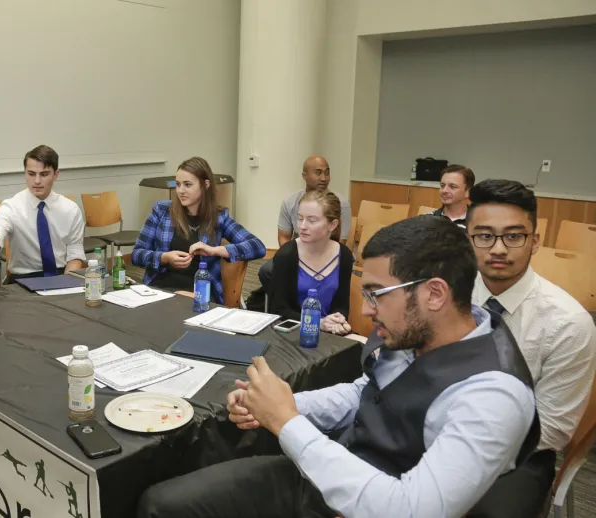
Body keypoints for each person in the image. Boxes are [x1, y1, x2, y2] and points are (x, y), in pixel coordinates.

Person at [137, 215, 539, 518]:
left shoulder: (493, 395)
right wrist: (283, 405)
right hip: (332, 473)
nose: (365, 310)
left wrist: (287, 423)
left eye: (377, 294)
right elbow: (365, 392)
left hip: (374, 500)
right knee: (161, 503)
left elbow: (410, 509)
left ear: (434, 294)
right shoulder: (411, 330)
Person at [467, 179, 596, 515]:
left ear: (534, 241)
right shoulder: (448, 293)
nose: (497, 249)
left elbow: (551, 430)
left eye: (513, 236)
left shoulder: (567, 322)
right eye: (484, 235)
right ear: (469, 239)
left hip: (520, 454)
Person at [132, 157, 265, 304]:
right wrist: (164, 258)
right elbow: (137, 254)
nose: (181, 191)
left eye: (188, 185)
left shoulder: (219, 218)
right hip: (159, 290)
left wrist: (215, 250)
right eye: (177, 185)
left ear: (205, 185)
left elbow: (257, 247)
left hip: (199, 293)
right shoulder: (162, 211)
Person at [247, 155, 351, 310]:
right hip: (298, 252)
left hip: (323, 252)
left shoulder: (341, 204)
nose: (323, 178)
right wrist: (294, 256)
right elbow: (283, 237)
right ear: (304, 176)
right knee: (268, 270)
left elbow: (340, 240)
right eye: (318, 172)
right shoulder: (290, 201)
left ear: (332, 224)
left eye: (326, 172)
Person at [0, 145, 86, 281]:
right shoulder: (11, 207)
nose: (36, 181)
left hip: (61, 273)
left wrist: (65, 284)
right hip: (23, 277)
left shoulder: (70, 210)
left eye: (44, 174)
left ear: (55, 175)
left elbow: (75, 256)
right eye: (31, 174)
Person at [267, 190, 354, 334]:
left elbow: (342, 304)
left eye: (311, 220)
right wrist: (318, 323)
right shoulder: (286, 255)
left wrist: (337, 320)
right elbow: (278, 310)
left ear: (332, 225)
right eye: (300, 218)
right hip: (294, 332)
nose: (302, 226)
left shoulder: (343, 255)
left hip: (330, 332)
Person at [432, 164, 474, 230]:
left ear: (467, 192)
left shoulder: (478, 223)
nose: (444, 191)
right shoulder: (427, 220)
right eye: (442, 186)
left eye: (452, 187)